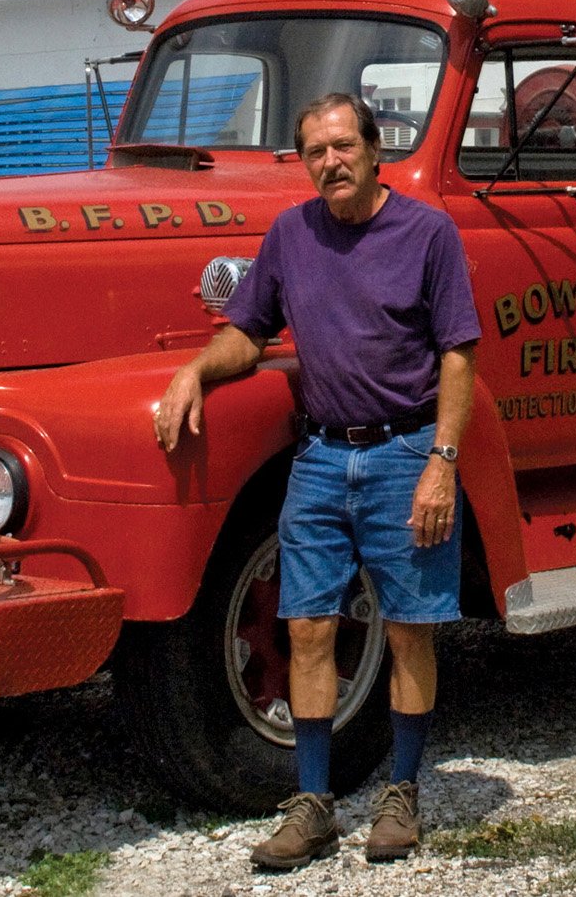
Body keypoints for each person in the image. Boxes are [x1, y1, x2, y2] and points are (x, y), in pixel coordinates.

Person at [153, 91, 480, 870]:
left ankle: (400, 792)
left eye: (342, 147)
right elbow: (248, 332)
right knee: (307, 627)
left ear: (373, 150)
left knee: (407, 628)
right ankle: (313, 803)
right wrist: (195, 371)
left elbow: (459, 354)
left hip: (405, 453)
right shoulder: (290, 234)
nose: (330, 163)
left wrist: (443, 461)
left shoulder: (427, 233)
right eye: (314, 153)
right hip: (323, 458)